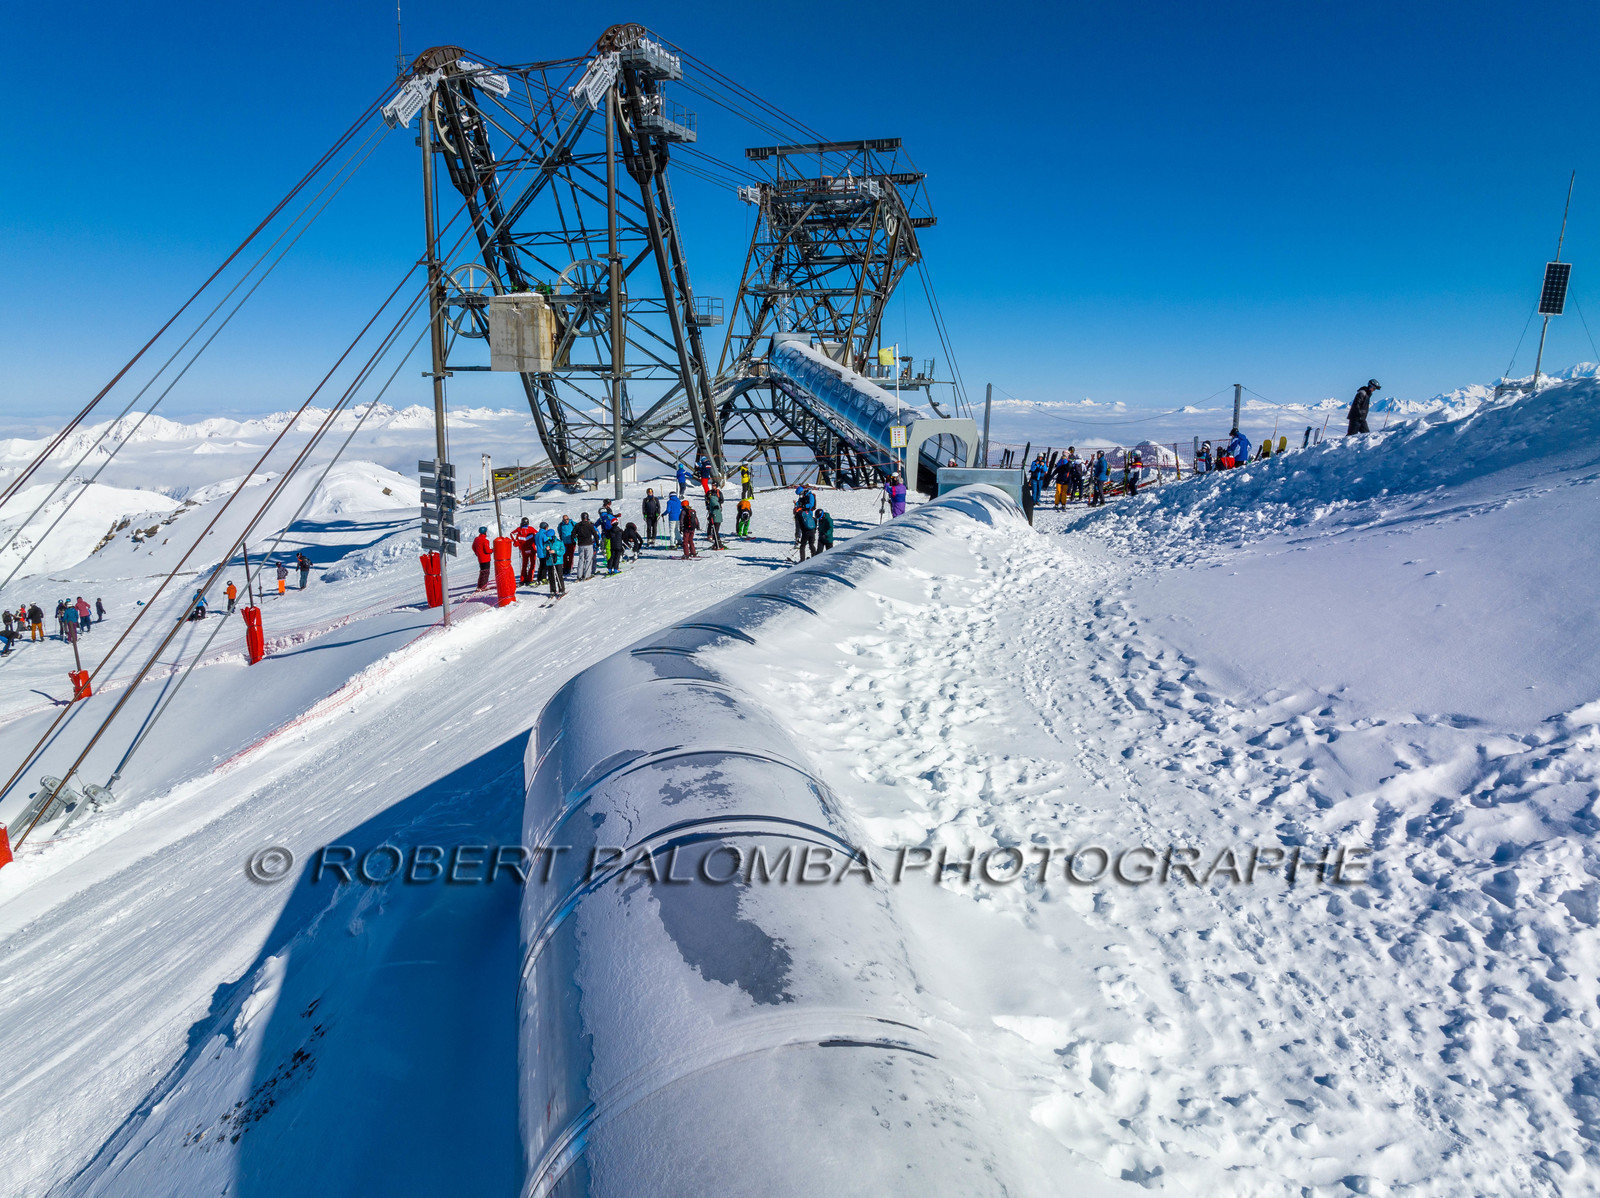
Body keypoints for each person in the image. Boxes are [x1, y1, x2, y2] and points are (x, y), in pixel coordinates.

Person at [512, 516, 538, 586]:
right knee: (532, 565)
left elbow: (514, 540)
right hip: (532, 550)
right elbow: (537, 535)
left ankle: (522, 580)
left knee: (524, 565)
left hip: (524, 550)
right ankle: (530, 579)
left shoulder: (519, 531)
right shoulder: (531, 529)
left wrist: (515, 542)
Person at [572, 513, 598, 580]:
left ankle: (579, 575)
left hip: (581, 544)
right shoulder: (589, 525)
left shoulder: (577, 525)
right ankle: (587, 575)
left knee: (581, 560)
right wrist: (597, 543)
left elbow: (573, 533)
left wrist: (573, 541)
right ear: (587, 517)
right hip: (589, 544)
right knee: (588, 560)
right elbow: (595, 534)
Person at [543, 527, 566, 597]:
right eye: (547, 537)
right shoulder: (546, 543)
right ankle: (552, 590)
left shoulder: (559, 542)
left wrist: (555, 551)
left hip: (558, 561)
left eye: (549, 537)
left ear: (552, 536)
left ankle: (561, 589)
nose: (548, 539)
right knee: (551, 576)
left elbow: (563, 551)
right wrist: (546, 550)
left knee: (559, 576)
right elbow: (543, 552)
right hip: (550, 562)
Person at [706, 484, 725, 550]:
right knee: (713, 529)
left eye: (714, 485)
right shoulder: (710, 493)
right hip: (714, 513)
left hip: (716, 515)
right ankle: (716, 543)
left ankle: (718, 544)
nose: (713, 487)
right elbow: (707, 501)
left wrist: (712, 513)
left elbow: (718, 503)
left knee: (715, 531)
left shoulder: (716, 495)